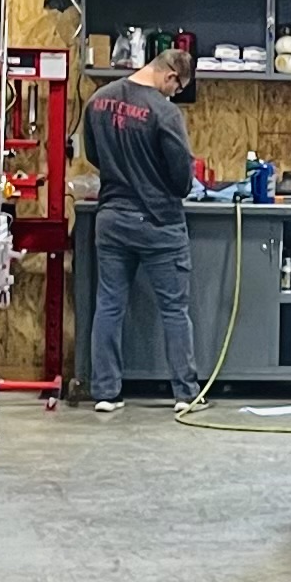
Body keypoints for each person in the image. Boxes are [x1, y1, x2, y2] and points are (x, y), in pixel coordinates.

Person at [81, 39, 202, 412]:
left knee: (110, 305)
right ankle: (185, 393)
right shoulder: (164, 113)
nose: (175, 94)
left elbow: (93, 155)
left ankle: (105, 393)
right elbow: (182, 178)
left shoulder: (98, 99)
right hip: (158, 222)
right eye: (177, 87)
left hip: (112, 218)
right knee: (173, 309)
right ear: (170, 75)